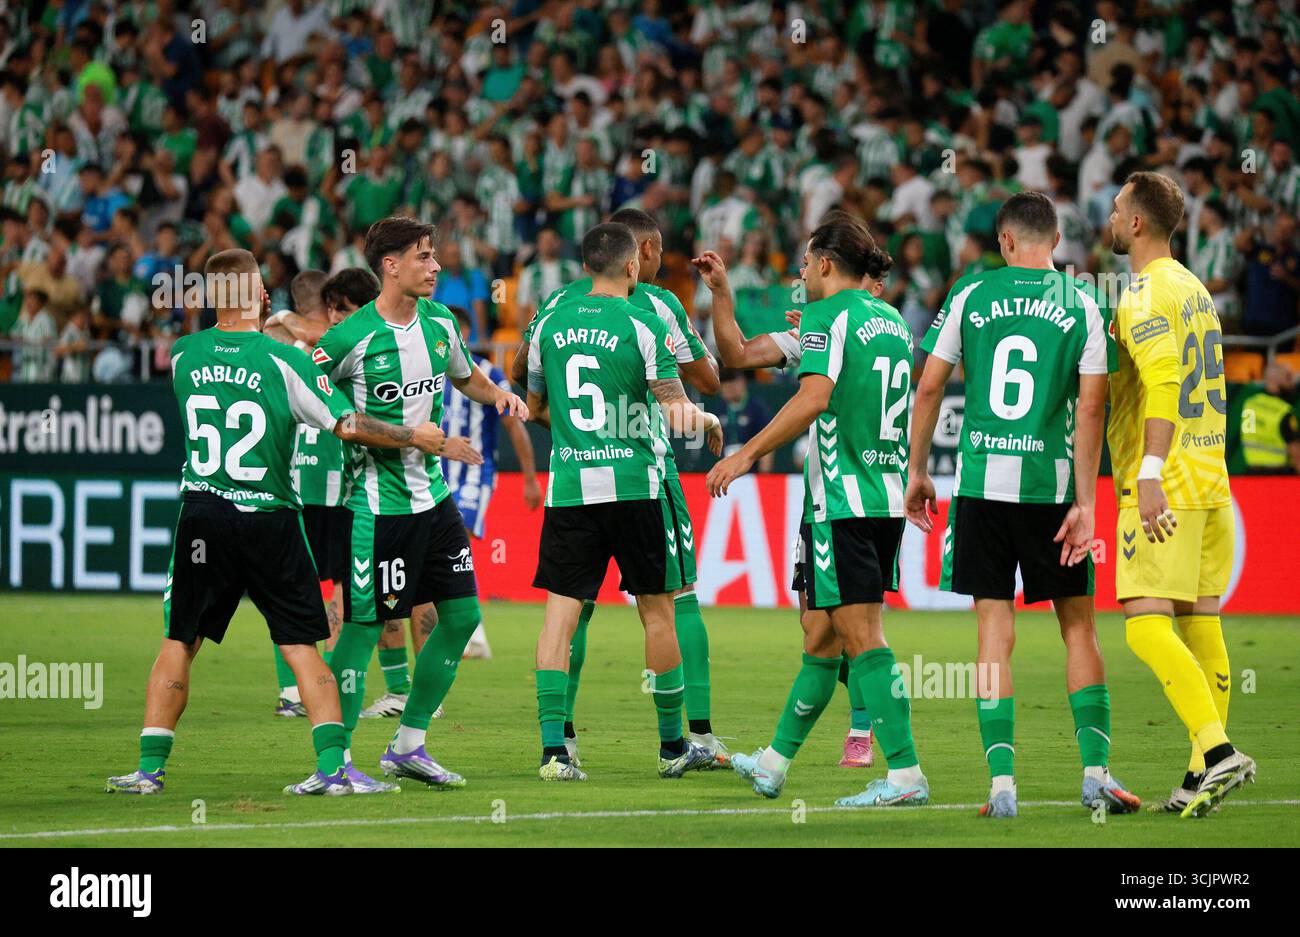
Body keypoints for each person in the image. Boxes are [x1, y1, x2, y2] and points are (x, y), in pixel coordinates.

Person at [105, 248, 447, 796]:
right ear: (261, 296)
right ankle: (333, 770)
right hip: (269, 516)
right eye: (264, 287)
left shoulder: (184, 355)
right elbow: (347, 423)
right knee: (301, 645)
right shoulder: (284, 361)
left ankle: (148, 769)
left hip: (203, 517)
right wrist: (415, 435)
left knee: (180, 638)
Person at [907, 191, 1138, 818]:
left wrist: (918, 471)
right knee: (1079, 628)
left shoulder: (969, 295)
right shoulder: (1085, 304)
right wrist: (1087, 503)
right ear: (1056, 241)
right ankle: (1095, 774)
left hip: (982, 491)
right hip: (1052, 494)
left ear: (1004, 242)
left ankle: (1002, 785)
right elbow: (1093, 406)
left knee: (992, 634)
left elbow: (929, 386)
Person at [707, 211, 930, 807]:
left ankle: (905, 775)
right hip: (881, 498)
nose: (800, 273)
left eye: (805, 262)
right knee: (823, 637)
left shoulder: (827, 318)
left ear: (826, 264)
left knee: (864, 639)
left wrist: (746, 453)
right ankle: (774, 765)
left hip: (842, 502)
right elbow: (739, 352)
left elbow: (815, 396)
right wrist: (724, 295)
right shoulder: (889, 321)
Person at [312, 216, 525, 792]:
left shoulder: (439, 322)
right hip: (376, 509)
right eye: (424, 257)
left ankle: (408, 744)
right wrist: (413, 437)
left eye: (434, 256)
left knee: (461, 617)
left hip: (433, 502)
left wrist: (500, 394)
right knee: (361, 628)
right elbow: (334, 417)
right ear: (391, 265)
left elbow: (466, 376)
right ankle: (331, 763)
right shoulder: (347, 338)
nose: (436, 267)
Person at [511, 207, 727, 767]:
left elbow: (533, 405)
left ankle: (555, 750)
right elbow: (679, 408)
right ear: (634, 263)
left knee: (561, 615)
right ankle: (673, 746)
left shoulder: (549, 315)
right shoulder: (648, 317)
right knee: (660, 611)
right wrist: (706, 423)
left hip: (571, 489)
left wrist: (574, 434)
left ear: (585, 264)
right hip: (637, 486)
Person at [1107, 171, 1255, 817]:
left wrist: (1148, 472)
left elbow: (1164, 382)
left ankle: (1219, 750)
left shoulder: (1141, 294)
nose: (1110, 217)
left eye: (1117, 209)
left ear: (1137, 222)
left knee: (1145, 624)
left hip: (1166, 480)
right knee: (1200, 622)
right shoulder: (1195, 288)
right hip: (1212, 475)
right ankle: (1201, 774)